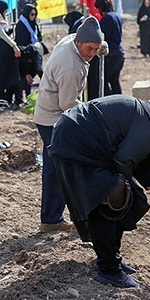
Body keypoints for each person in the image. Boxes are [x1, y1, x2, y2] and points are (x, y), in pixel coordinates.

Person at [49, 94, 150, 288]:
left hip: (78, 140)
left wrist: (148, 185)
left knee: (130, 196)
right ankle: (109, 269)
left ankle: (111, 258)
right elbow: (123, 160)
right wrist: (129, 184)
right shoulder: (149, 125)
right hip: (77, 145)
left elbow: (128, 157)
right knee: (111, 199)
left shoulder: (148, 114)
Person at [32, 16, 107, 232]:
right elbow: (67, 104)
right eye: (90, 48)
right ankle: (62, 218)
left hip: (48, 113)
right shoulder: (71, 67)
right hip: (53, 120)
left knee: (56, 167)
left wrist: (101, 46)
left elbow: (89, 37)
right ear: (78, 44)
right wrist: (90, 117)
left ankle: (51, 217)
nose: (92, 53)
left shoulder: (72, 40)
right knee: (64, 168)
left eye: (96, 49)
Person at [87, 0, 124, 99]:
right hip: (119, 54)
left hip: (110, 54)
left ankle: (109, 104)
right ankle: (119, 102)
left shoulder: (107, 18)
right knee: (114, 81)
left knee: (102, 81)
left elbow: (100, 36)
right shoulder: (117, 16)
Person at [14, 3, 44, 101]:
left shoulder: (34, 25)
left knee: (31, 74)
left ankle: (28, 96)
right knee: (23, 76)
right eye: (31, 14)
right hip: (23, 54)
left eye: (35, 15)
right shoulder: (21, 25)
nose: (33, 17)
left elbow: (39, 37)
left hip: (34, 53)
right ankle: (19, 98)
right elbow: (21, 40)